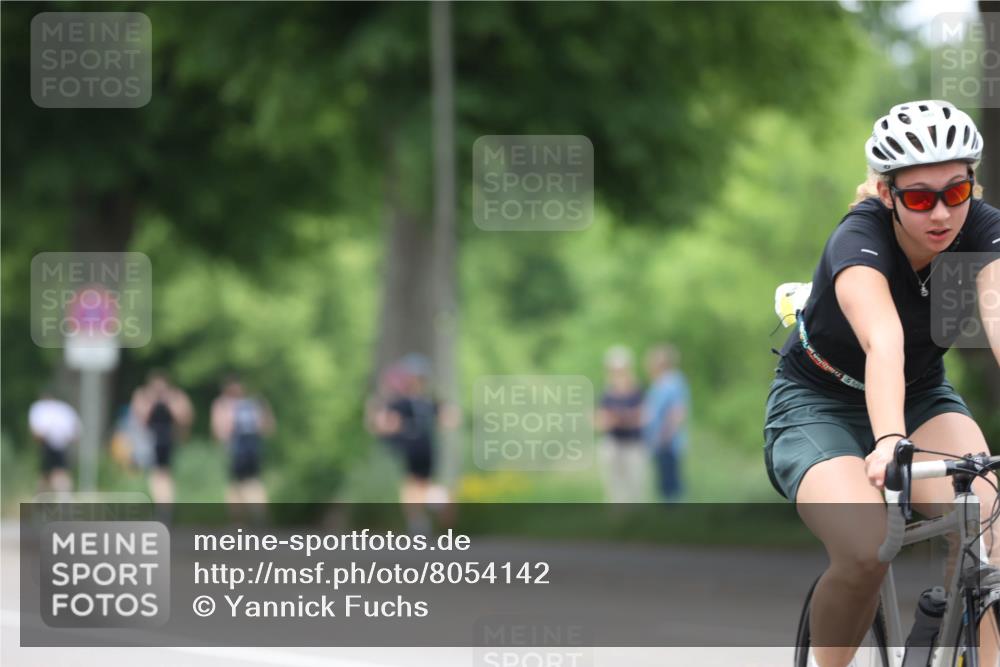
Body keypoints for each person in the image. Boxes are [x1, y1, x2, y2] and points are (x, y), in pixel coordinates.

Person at [763, 100, 1000, 667]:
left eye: (957, 192)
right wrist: (890, 441)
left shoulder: (985, 232)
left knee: (989, 533)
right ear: (888, 193)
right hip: (818, 402)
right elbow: (883, 341)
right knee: (867, 549)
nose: (941, 213)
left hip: (921, 393)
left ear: (973, 184)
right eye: (920, 198)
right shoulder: (858, 239)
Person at [370, 354, 458, 534]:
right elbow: (449, 418)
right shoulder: (429, 402)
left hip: (411, 447)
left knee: (411, 486)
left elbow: (385, 424)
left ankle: (419, 522)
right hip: (428, 446)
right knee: (423, 483)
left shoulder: (402, 403)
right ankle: (437, 499)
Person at [211, 375, 275, 508]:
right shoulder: (254, 403)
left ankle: (241, 522)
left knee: (238, 484)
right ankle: (257, 518)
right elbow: (268, 428)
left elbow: (220, 430)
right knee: (251, 482)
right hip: (253, 448)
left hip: (237, 450)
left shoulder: (224, 404)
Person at [130, 370, 193, 504]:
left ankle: (165, 504)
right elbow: (140, 419)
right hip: (149, 441)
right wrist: (153, 401)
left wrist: (168, 401)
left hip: (168, 440)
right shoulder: (143, 396)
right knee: (155, 474)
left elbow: (184, 418)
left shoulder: (175, 396)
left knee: (165, 474)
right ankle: (160, 502)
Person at [596, 345, 648, 503]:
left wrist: (620, 419)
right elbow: (600, 421)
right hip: (613, 445)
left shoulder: (638, 390)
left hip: (634, 445)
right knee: (614, 487)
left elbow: (643, 417)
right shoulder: (606, 392)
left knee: (636, 485)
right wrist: (621, 418)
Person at [642, 344, 690, 501]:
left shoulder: (672, 381)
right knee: (663, 485)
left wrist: (665, 437)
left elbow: (677, 412)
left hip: (667, 442)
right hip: (659, 441)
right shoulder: (659, 383)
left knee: (671, 486)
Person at [28, 389, 80, 493]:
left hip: (50, 444)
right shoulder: (64, 409)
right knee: (51, 473)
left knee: (55, 473)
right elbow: (76, 431)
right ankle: (57, 497)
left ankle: (57, 497)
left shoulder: (40, 408)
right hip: (58, 444)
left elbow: (36, 431)